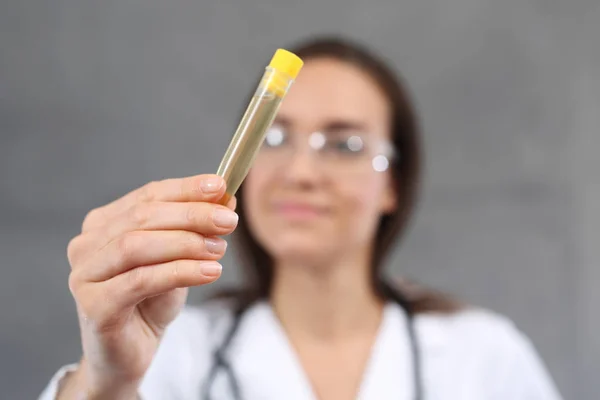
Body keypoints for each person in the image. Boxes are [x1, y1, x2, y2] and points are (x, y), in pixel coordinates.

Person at [39, 36, 562, 400]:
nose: (301, 171)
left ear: (392, 186)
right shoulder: (174, 352)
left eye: (345, 144)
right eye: (274, 138)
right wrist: (104, 383)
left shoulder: (484, 356)